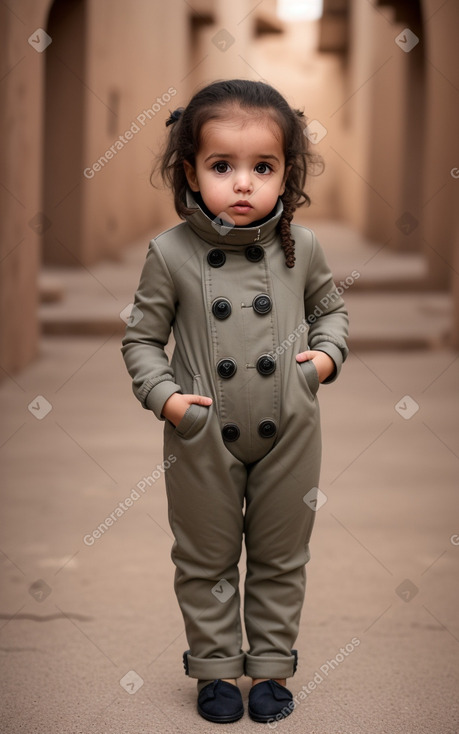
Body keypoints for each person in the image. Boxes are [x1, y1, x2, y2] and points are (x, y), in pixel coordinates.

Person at [121, 79, 349, 724]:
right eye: (223, 167)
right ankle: (217, 671)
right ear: (190, 170)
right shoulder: (170, 253)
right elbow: (141, 339)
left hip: (292, 430)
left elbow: (332, 310)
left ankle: (272, 669)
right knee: (206, 558)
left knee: (282, 556)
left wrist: (324, 361)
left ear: (287, 174)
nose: (243, 183)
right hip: (200, 434)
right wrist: (168, 401)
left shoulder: (301, 249)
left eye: (263, 167)